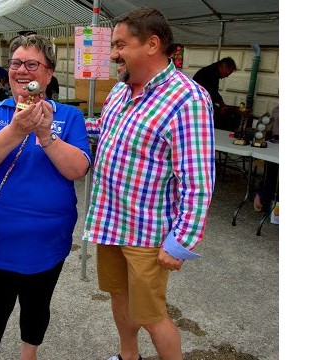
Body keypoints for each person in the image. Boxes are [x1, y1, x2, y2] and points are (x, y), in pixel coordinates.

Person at [83, 7, 215, 360]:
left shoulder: (187, 99)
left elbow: (198, 179)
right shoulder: (121, 91)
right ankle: (129, 356)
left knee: (153, 316)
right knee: (119, 298)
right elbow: (102, 132)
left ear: (152, 44)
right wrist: (59, 122)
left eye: (120, 45)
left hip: (146, 232)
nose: (112, 54)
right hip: (110, 222)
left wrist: (182, 240)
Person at [0, 34, 91, 360]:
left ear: (48, 73)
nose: (22, 70)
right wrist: (16, 130)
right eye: (16, 63)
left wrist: (46, 135)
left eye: (32, 64)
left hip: (48, 241)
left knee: (37, 307)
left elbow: (77, 168)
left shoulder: (69, 117)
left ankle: (28, 354)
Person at [193, 57, 237, 131]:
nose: (227, 76)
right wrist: (220, 104)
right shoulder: (210, 72)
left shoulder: (213, 71)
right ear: (223, 67)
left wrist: (221, 102)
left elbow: (213, 91)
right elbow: (211, 92)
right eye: (228, 72)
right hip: (199, 105)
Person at [253, 105, 279, 212]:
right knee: (272, 168)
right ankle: (263, 196)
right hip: (275, 147)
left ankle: (264, 195)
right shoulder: (277, 110)